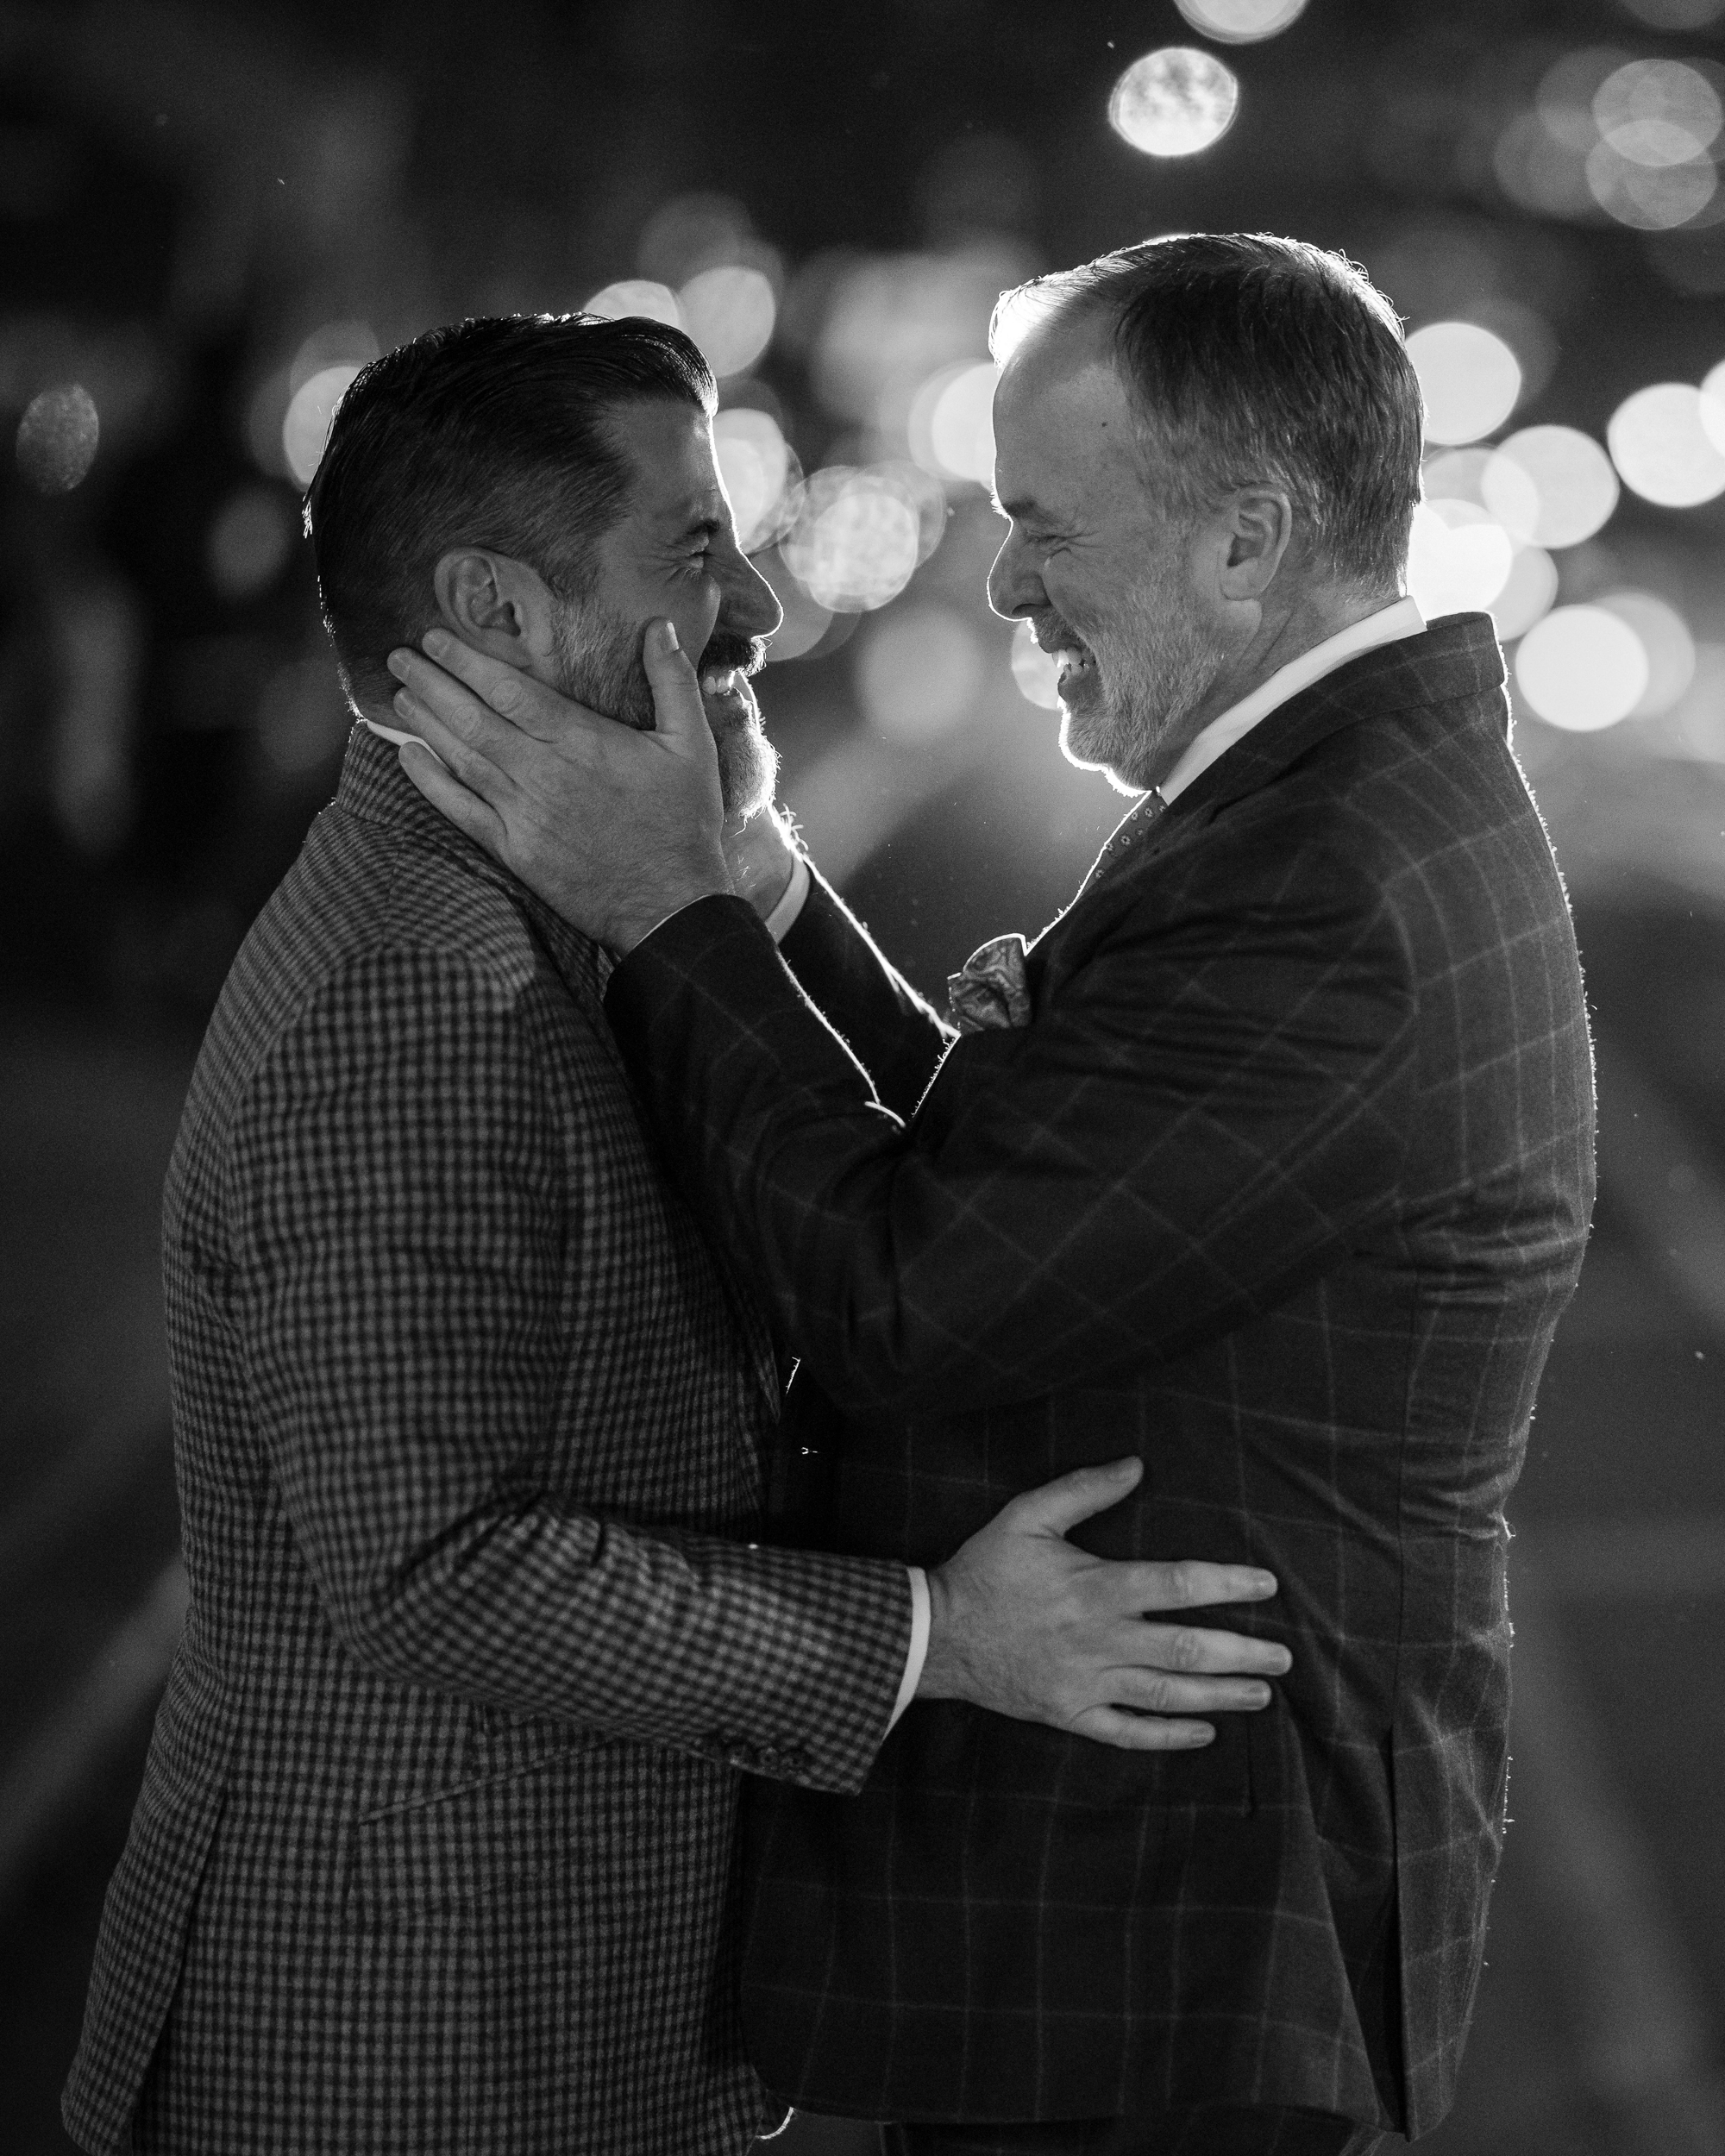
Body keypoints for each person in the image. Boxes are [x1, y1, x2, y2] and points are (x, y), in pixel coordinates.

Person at [388, 235, 1596, 2155]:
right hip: (1143, 1954)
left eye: (1045, 521)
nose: (1007, 577)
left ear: (1243, 538)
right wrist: (767, 885)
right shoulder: (1316, 800)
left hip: (1158, 1973)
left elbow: (902, 1292)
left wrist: (663, 911)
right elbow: (1033, 1182)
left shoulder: (1328, 890)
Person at [61, 313, 1289, 2156]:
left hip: (551, 2006)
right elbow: (429, 1565)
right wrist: (935, 1636)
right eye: (693, 550)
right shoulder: (415, 996)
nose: (762, 616)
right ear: (496, 607)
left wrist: (751, 878)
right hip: (412, 2043)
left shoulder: (570, 901)